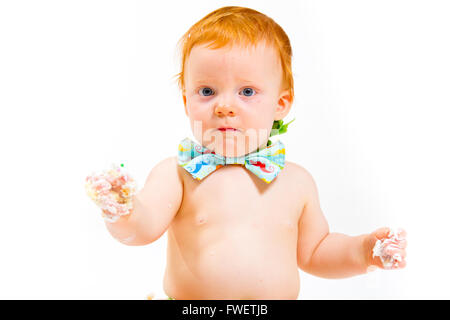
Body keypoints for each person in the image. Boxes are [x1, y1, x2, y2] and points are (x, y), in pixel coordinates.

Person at [85, 6, 407, 300]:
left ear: (280, 104)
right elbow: (142, 228)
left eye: (247, 91)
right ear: (186, 102)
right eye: (207, 91)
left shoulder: (296, 182)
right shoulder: (177, 174)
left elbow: (316, 252)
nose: (225, 106)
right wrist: (122, 211)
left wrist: (364, 251)